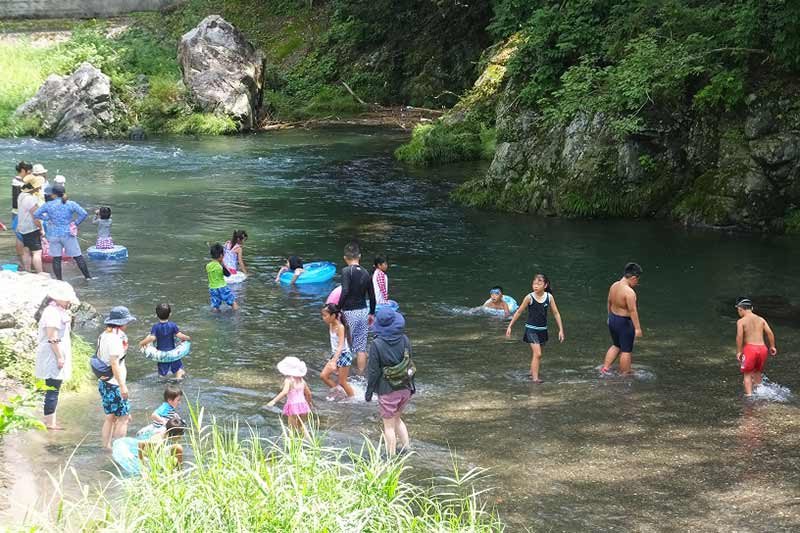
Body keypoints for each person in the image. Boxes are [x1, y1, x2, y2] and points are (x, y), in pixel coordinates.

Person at [365, 307, 415, 457]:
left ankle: (391, 458)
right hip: (405, 387)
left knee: (389, 427)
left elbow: (373, 371)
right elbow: (410, 364)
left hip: (388, 391)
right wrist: (413, 387)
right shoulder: (405, 339)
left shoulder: (377, 344)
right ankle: (407, 449)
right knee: (398, 419)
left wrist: (369, 392)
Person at [33, 282, 79, 430]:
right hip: (52, 355)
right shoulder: (51, 313)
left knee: (53, 388)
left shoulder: (57, 310)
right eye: (67, 300)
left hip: (54, 353)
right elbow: (52, 337)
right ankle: (50, 423)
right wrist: (60, 357)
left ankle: (50, 420)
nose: (69, 302)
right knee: (53, 389)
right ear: (58, 299)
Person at [506, 275, 565, 383]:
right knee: (538, 354)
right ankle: (535, 379)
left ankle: (531, 372)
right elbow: (519, 311)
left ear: (545, 285)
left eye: (539, 284)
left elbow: (556, 313)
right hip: (531, 329)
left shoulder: (549, 297)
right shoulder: (529, 297)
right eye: (534, 284)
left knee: (537, 355)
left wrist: (561, 329)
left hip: (543, 329)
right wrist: (510, 326)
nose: (536, 286)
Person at [97, 306, 137, 449]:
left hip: (104, 381)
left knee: (110, 417)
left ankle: (106, 447)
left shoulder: (104, 335)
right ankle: (119, 451)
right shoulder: (115, 338)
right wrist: (122, 386)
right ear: (122, 322)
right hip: (115, 383)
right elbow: (114, 363)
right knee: (123, 418)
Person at [34, 184, 91, 281]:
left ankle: (59, 280)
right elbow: (84, 213)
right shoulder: (70, 203)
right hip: (68, 233)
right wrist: (75, 223)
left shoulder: (48, 205)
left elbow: (36, 214)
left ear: (53, 195)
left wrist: (47, 218)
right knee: (78, 256)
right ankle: (88, 278)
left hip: (54, 234)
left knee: (56, 259)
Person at [339, 241, 376, 372]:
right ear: (359, 256)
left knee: (344, 345)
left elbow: (345, 291)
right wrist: (372, 313)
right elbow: (372, 296)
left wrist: (337, 309)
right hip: (363, 311)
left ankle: (343, 378)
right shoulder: (366, 273)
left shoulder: (346, 271)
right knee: (361, 348)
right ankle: (360, 376)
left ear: (345, 258)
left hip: (349, 312)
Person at [601, 262, 643, 375]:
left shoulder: (614, 285)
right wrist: (637, 329)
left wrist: (609, 316)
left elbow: (609, 301)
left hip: (613, 319)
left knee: (616, 345)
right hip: (624, 322)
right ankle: (625, 374)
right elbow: (633, 311)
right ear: (634, 278)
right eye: (637, 280)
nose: (637, 282)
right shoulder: (629, 292)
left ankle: (605, 368)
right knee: (626, 349)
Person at [735, 298, 778, 397]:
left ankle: (749, 396)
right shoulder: (761, 319)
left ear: (741, 309)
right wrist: (772, 346)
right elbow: (770, 333)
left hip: (750, 349)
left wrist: (739, 351)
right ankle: (760, 393)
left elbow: (739, 337)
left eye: (738, 310)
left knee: (747, 374)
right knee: (757, 372)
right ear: (752, 308)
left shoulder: (741, 321)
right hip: (762, 348)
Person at [138, 303, 191, 379]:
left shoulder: (155, 327)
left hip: (161, 356)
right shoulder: (173, 325)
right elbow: (179, 335)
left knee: (162, 374)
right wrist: (186, 337)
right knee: (179, 370)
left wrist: (142, 343)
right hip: (173, 354)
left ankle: (163, 385)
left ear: (156, 315)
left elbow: (152, 338)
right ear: (170, 314)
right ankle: (178, 381)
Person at [266, 356, 313, 440]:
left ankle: (291, 448)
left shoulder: (288, 380)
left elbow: (284, 392)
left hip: (293, 406)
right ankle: (312, 443)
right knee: (301, 426)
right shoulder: (302, 380)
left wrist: (273, 401)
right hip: (303, 406)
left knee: (291, 429)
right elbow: (309, 394)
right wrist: (309, 405)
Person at [319, 303, 355, 400]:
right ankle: (339, 392)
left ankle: (352, 398)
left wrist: (334, 361)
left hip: (344, 355)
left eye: (325, 315)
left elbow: (340, 346)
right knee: (323, 376)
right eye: (323, 315)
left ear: (333, 315)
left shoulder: (340, 327)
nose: (323, 318)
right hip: (335, 355)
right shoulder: (331, 324)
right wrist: (333, 359)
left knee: (343, 381)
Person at [16, 177, 46, 274]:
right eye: (38, 186)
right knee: (37, 252)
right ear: (34, 187)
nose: (40, 188)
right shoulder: (31, 199)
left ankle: (27, 271)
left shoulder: (21, 195)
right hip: (31, 228)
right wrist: (41, 229)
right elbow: (36, 217)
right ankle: (40, 273)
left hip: (22, 228)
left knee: (26, 250)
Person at [206, 243, 238, 312]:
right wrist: (223, 264)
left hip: (212, 288)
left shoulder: (208, 266)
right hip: (222, 287)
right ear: (221, 255)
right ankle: (237, 317)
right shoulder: (220, 267)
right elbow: (228, 274)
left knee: (215, 306)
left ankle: (215, 316)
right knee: (232, 302)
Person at [11, 161, 33, 261]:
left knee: (19, 236)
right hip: (20, 213)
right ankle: (22, 257)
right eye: (30, 171)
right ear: (23, 170)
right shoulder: (19, 183)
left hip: (17, 212)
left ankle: (21, 257)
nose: (31, 173)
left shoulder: (18, 181)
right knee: (21, 236)